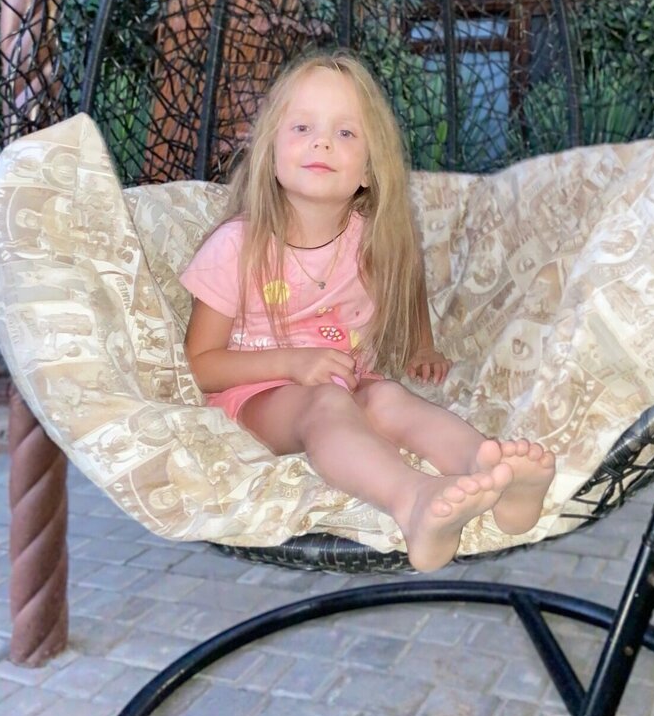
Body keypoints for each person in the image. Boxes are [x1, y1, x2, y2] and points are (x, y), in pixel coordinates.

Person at [181, 53, 555, 571]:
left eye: (345, 133)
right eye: (303, 127)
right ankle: (411, 500)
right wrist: (291, 363)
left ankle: (494, 474)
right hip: (258, 397)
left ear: (369, 171)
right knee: (327, 406)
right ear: (270, 152)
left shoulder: (371, 241)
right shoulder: (236, 247)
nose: (322, 143)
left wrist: (422, 344)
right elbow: (200, 364)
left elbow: (408, 279)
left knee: (389, 397)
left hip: (348, 379)